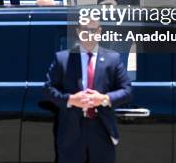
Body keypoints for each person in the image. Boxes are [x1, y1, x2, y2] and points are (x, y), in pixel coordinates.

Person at [45, 18, 132, 163]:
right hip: (71, 131)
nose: (89, 34)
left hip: (102, 129)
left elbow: (127, 90)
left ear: (99, 32)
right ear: (78, 32)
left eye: (93, 30)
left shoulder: (113, 59)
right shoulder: (63, 58)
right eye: (85, 30)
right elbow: (48, 89)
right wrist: (70, 99)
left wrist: (104, 98)